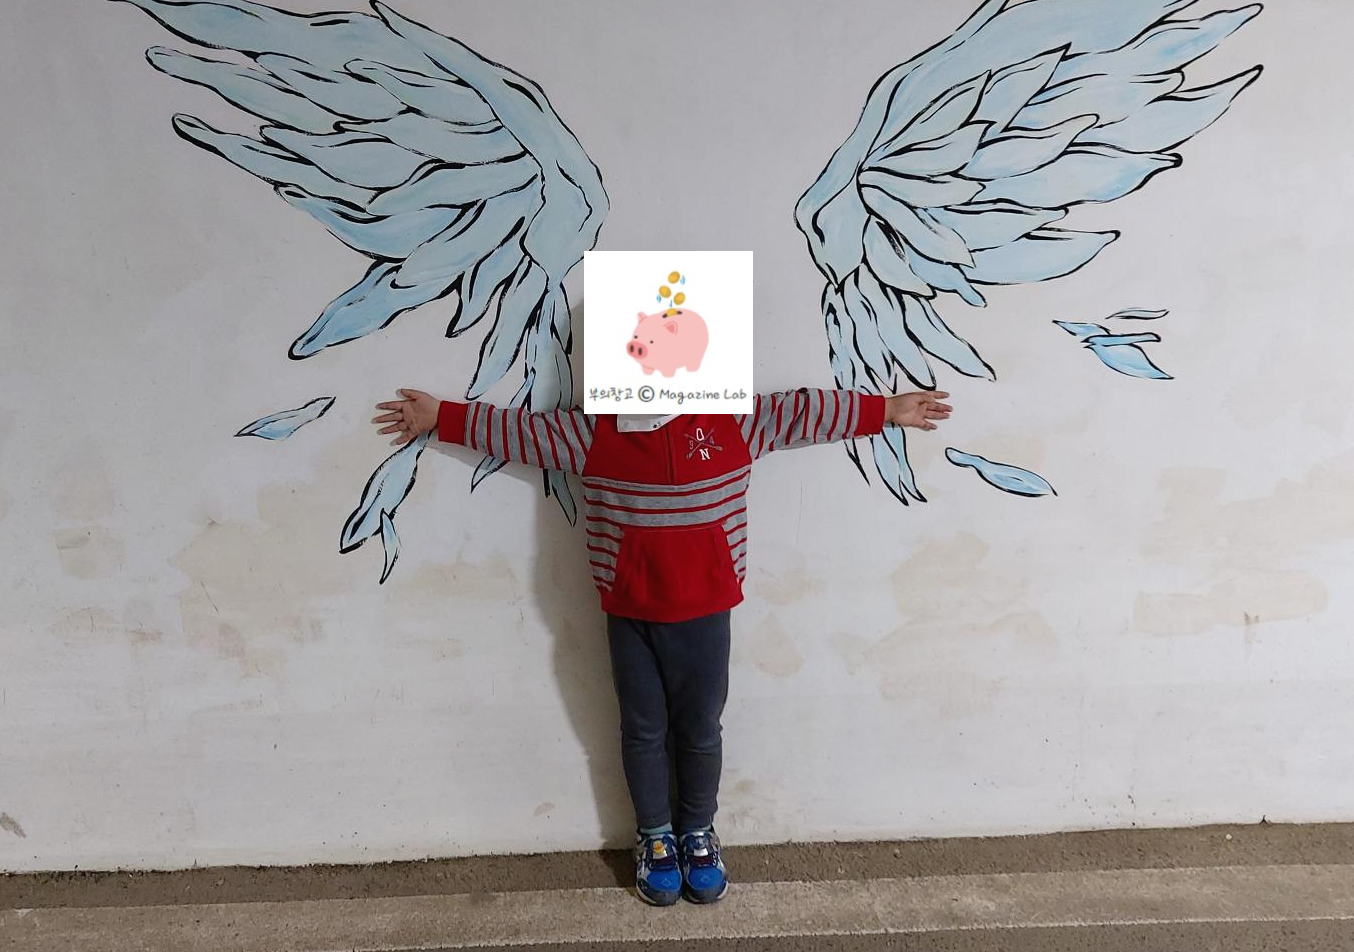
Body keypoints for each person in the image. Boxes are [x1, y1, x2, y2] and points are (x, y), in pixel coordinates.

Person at [374, 384, 953, 906]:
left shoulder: (734, 420)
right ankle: (654, 836)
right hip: (632, 613)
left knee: (701, 730)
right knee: (643, 731)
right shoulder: (595, 432)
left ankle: (698, 831)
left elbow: (803, 411)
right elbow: (522, 433)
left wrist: (887, 409)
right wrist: (442, 417)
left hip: (707, 614)